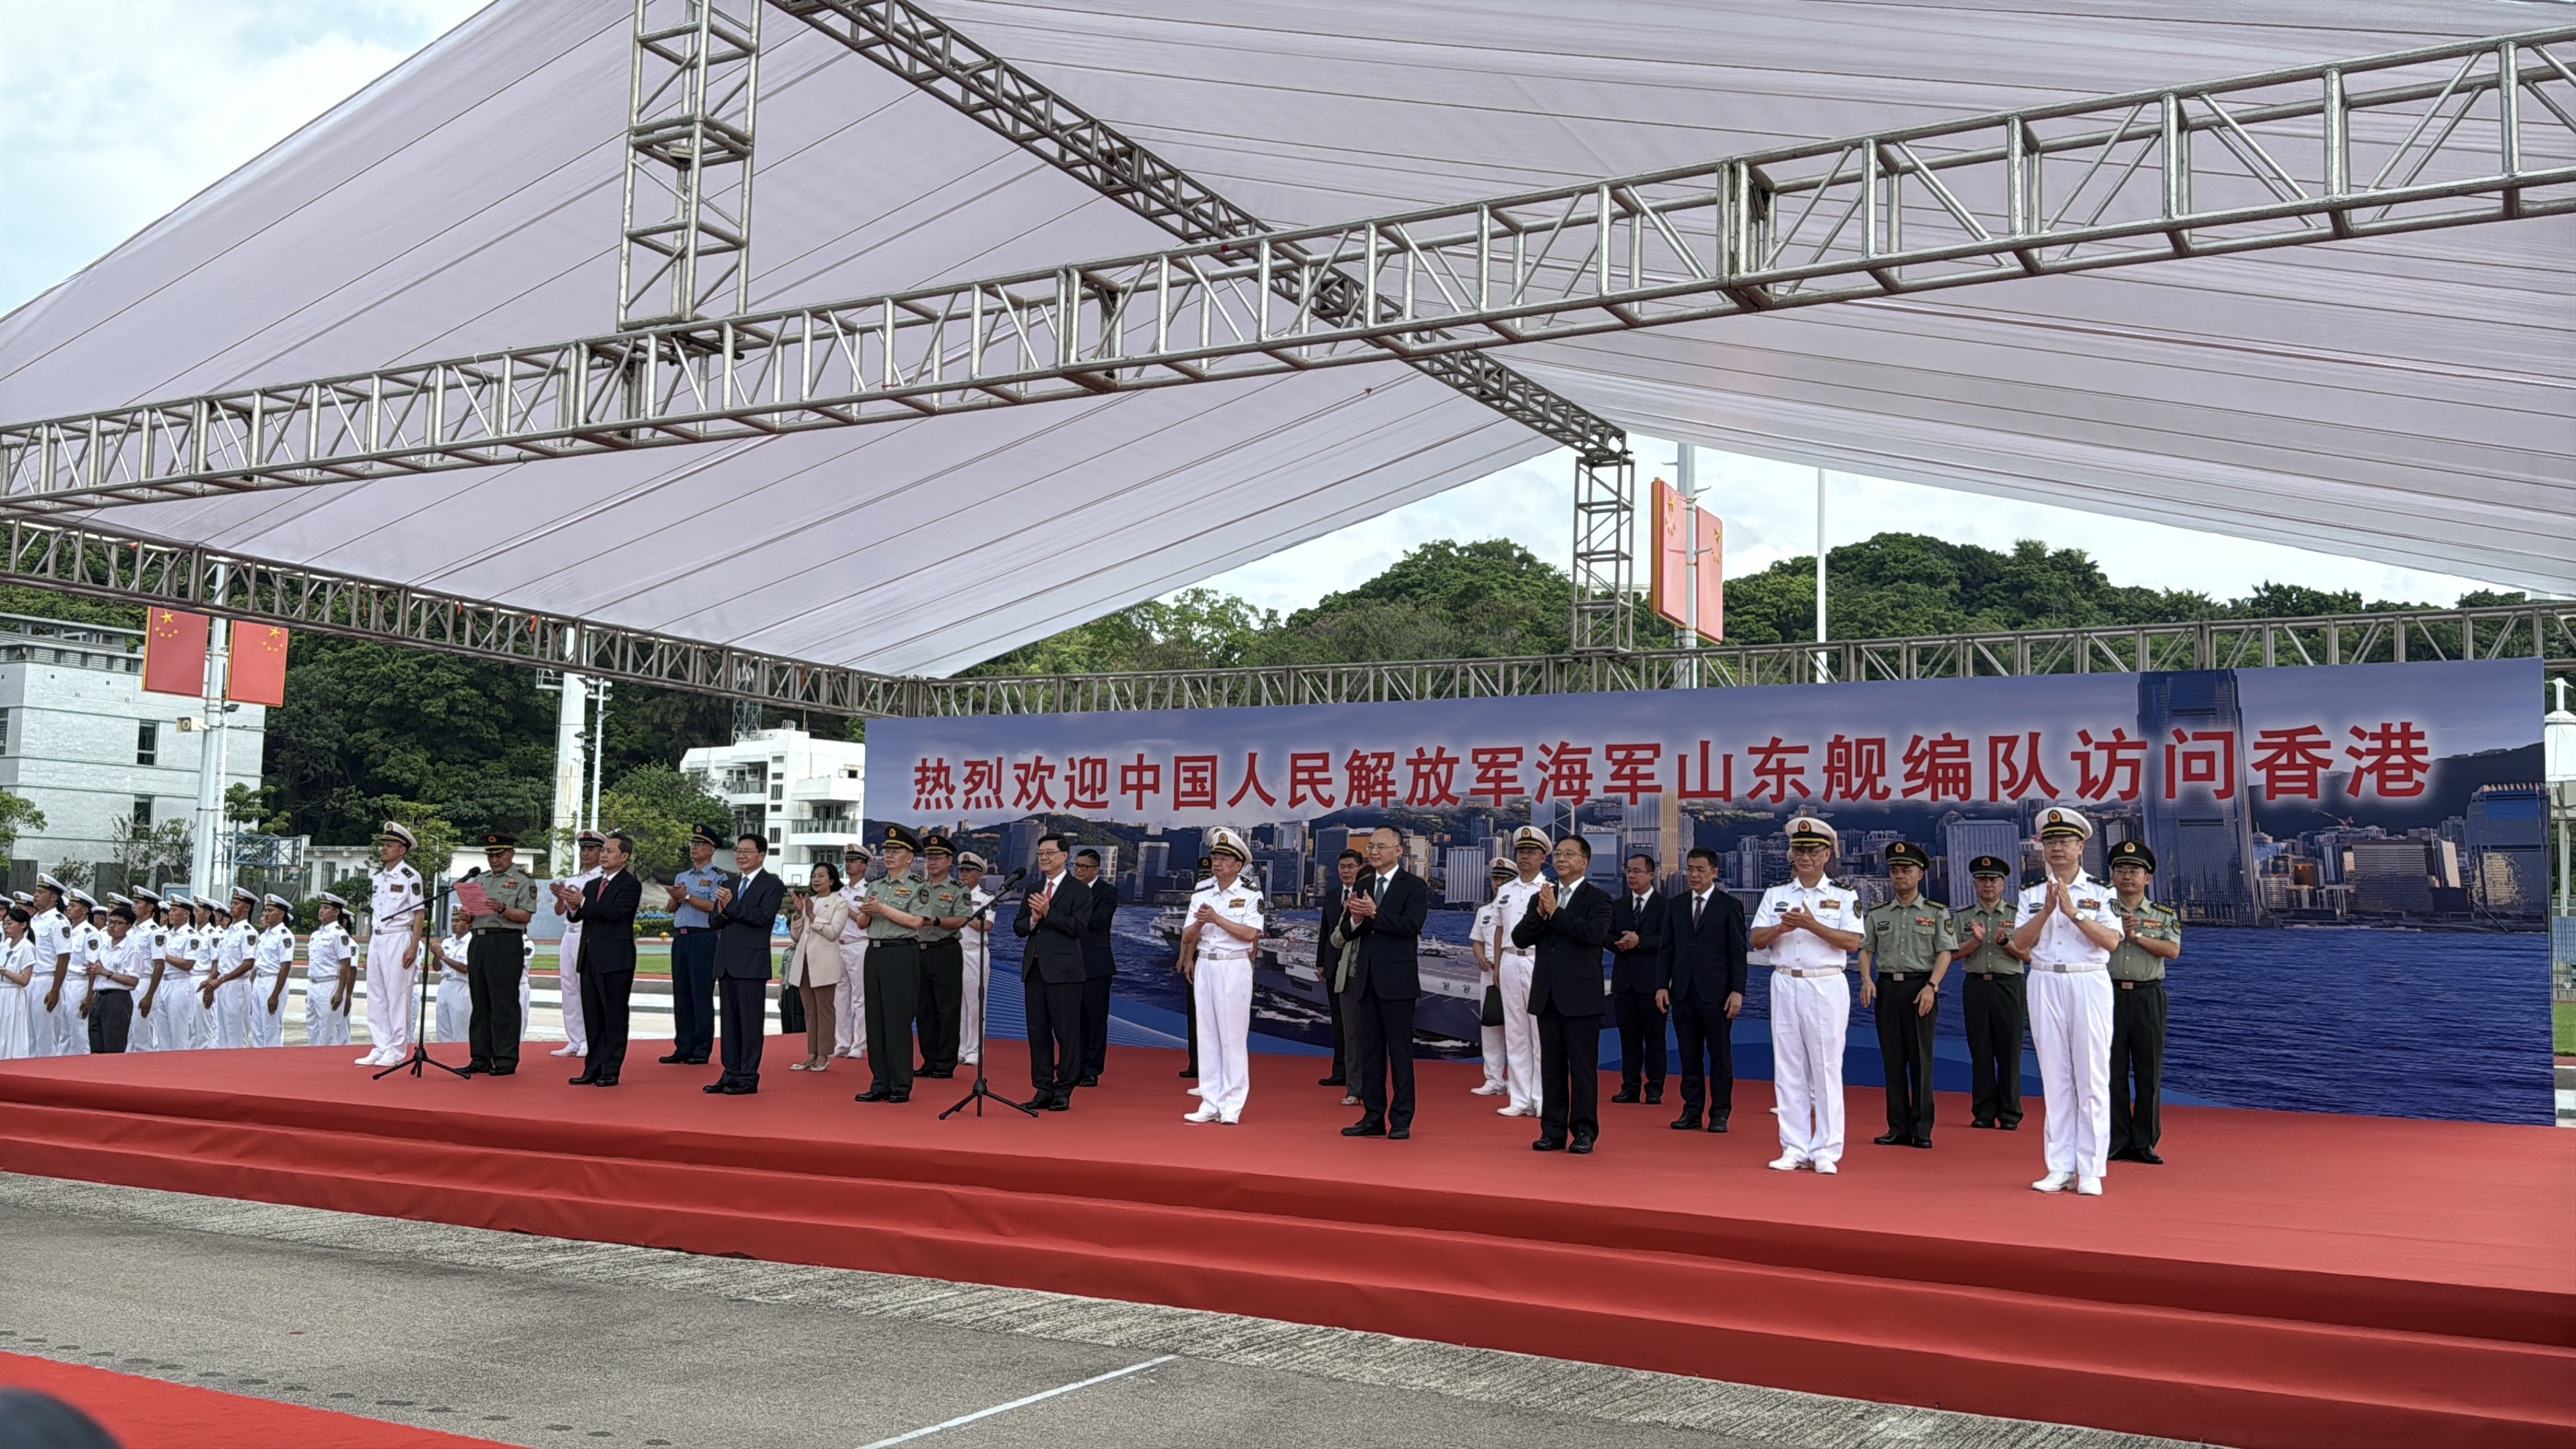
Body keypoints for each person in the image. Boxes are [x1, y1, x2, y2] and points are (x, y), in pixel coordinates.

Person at [2010, 807, 2123, 1197]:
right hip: (2044, 979)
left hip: (2087, 980)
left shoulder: (2102, 892)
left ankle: (2090, 1169)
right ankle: (2058, 1166)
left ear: (2080, 847)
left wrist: (2074, 913)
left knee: (2091, 1077)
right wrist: (2046, 911)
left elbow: (2111, 941)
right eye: (2050, 842)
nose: (2057, 848)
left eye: (2064, 841)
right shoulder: (2030, 893)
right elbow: (2019, 943)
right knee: (2055, 1077)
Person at [1750, 817, 1865, 1175]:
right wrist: (1782, 927)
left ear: (1827, 854)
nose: (1805, 857)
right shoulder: (1777, 893)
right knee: (1788, 1067)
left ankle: (1826, 1150)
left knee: (1826, 1067)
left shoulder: (1844, 895)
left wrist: (1812, 924)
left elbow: (1852, 942)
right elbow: (1756, 938)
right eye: (1799, 850)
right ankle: (1794, 1146)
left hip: (1825, 982)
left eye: (1813, 850)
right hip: (1785, 980)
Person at [1510, 835, 1613, 1154]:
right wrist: (1541, 913)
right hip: (1548, 994)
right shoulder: (1543, 896)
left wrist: (1556, 914)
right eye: (1559, 854)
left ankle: (1584, 1131)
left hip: (1581, 997)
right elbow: (1520, 938)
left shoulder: (1598, 899)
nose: (1562, 859)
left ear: (1584, 862)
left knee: (1582, 1068)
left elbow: (1595, 935)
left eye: (1570, 854)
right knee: (1551, 1067)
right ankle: (1552, 1131)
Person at [1860, 842, 1954, 1149]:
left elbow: (1945, 952)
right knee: (1893, 1060)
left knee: (1921, 1060)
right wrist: (1866, 979)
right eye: (1894, 871)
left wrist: (1932, 986)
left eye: (1906, 870)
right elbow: (1866, 949)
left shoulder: (1936, 912)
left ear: (1920, 874)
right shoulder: (1878, 913)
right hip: (1888, 988)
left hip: (1920, 988)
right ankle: (1897, 1127)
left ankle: (1922, 1128)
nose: (1899, 876)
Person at [1341, 825, 1427, 1141]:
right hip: (1367, 979)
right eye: (1371, 847)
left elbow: (1411, 926)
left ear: (1399, 851)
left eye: (1381, 846)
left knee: (1400, 1053)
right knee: (1371, 1051)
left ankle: (1401, 1118)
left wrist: (1376, 913)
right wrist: (1356, 918)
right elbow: (1347, 931)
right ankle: (1373, 1116)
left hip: (1397, 981)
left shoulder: (1414, 886)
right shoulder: (1363, 884)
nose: (1374, 852)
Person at [1658, 846, 1749, 1134]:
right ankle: (1692, 1110)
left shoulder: (1729, 906)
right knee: (1689, 1053)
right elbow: (1666, 949)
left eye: (1700, 869)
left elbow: (1738, 952)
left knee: (1720, 1055)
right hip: (1683, 991)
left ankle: (1720, 1111)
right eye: (1690, 869)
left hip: (1717, 994)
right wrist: (1661, 985)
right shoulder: (1676, 905)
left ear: (1714, 872)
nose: (1694, 875)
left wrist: (1737, 990)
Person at [1180, 828, 1265, 1125]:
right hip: (1207, 963)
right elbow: (1188, 935)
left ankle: (1232, 1104)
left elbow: (1250, 934)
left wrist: (1216, 919)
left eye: (1224, 859)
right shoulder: (1202, 892)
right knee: (1207, 1036)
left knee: (1232, 1037)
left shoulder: (1250, 893)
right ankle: (1210, 1102)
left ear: (1238, 865)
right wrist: (1199, 924)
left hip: (1234, 964)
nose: (1217, 863)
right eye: (1215, 857)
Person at [2105, 840, 2181, 1166]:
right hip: (2107, 994)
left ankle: (2144, 1141)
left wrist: (2137, 937)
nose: (2127, 876)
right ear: (2112, 876)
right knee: (2112, 1070)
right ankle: (2117, 1138)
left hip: (2147, 995)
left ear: (2147, 878)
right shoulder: (2101, 912)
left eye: (2134, 871)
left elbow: (2172, 951)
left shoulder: (2163, 915)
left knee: (2148, 1070)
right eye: (2120, 870)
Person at [1010, 832, 1093, 1111]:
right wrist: (1033, 919)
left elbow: (1078, 927)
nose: (1043, 858)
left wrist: (1048, 912)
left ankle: (1064, 1088)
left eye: (1049, 853)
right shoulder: (1033, 888)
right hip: (1034, 969)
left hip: (1065, 972)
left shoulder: (1080, 890)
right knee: (1038, 1031)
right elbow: (1019, 927)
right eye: (1040, 853)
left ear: (1064, 856)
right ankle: (1042, 1087)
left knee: (1067, 1032)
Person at [853, 826, 929, 1103]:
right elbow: (863, 924)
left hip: (901, 953)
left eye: (896, 851)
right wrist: (864, 912)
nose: (889, 855)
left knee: (896, 1020)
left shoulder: (919, 887)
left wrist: (882, 909)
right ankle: (880, 1081)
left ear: (910, 857)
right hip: (875, 952)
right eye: (887, 851)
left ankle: (900, 1083)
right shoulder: (875, 886)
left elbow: (916, 922)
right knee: (875, 1020)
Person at [706, 831, 784, 1096]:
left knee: (750, 1023)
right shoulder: (729, 883)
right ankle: (730, 1072)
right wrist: (721, 908)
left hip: (751, 964)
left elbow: (761, 918)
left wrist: (730, 906)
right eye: (738, 851)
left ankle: (748, 1076)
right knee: (729, 1024)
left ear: (761, 855)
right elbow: (714, 922)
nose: (740, 856)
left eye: (747, 851)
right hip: (727, 962)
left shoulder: (772, 885)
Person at [1955, 855, 2028, 1130]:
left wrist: (2007, 943)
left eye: (1993, 879)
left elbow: (2030, 955)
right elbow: (1951, 954)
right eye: (1982, 879)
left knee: (2010, 1050)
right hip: (1976, 985)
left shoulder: (2017, 915)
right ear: (1974, 883)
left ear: (2003, 884)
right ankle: (1984, 1111)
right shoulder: (1963, 916)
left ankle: (2010, 1112)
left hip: (2008, 985)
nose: (1988, 884)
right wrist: (1974, 942)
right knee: (1981, 1049)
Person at [566, 832, 643, 1086]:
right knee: (593, 1016)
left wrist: (583, 902)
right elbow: (579, 917)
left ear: (624, 856)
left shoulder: (630, 885)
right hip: (590, 957)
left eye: (610, 851)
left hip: (615, 959)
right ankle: (593, 1068)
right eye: (603, 851)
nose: (603, 855)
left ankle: (611, 1068)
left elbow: (615, 914)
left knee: (613, 1016)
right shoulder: (592, 885)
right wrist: (573, 905)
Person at [462, 832, 538, 1076]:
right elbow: (473, 913)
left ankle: (505, 1058)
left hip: (505, 941)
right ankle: (480, 1058)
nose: (494, 860)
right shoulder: (480, 880)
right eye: (491, 855)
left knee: (503, 1002)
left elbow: (525, 916)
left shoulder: (522, 881)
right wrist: (467, 916)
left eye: (500, 855)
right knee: (480, 1002)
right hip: (479, 941)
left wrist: (503, 908)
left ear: (511, 853)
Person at [360, 823, 426, 1066]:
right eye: (383, 845)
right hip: (378, 938)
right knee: (376, 994)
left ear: (402, 850)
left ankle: (397, 1049)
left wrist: (413, 946)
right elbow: (376, 913)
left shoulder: (410, 876)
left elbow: (418, 913)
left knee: (397, 995)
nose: (384, 849)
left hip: (399, 937)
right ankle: (381, 1045)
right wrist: (371, 946)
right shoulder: (378, 878)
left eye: (389, 845)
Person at [662, 823, 727, 1066]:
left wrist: (687, 897)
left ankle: (701, 1048)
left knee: (701, 993)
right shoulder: (682, 876)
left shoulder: (718, 877)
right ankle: (683, 1046)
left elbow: (715, 907)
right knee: (682, 994)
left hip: (704, 937)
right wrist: (675, 898)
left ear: (712, 849)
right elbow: (672, 907)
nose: (695, 848)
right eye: (693, 844)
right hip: (682, 937)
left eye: (700, 845)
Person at [1609, 852, 1668, 1106]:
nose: (1631, 876)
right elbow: (1606, 936)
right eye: (1628, 871)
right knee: (1628, 1039)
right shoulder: (1619, 905)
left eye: (1637, 871)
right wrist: (1619, 943)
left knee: (1655, 1039)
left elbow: (1668, 941)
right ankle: (1630, 1087)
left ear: (1651, 874)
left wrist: (1640, 941)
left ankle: (1655, 1088)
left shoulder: (1665, 905)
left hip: (1652, 984)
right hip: (1624, 983)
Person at [913, 833, 974, 1079]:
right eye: (929, 857)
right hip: (920, 951)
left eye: (938, 857)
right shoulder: (917, 887)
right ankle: (929, 1060)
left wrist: (935, 921)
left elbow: (963, 918)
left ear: (949, 861)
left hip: (945, 950)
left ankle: (945, 1063)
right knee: (924, 1010)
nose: (932, 862)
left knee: (947, 1009)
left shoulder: (958, 889)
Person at [785, 861, 850, 1074]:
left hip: (824, 963)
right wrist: (798, 914)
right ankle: (811, 1053)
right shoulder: (808, 901)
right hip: (804, 962)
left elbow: (833, 932)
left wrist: (813, 916)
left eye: (821, 876)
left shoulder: (839, 903)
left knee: (825, 1010)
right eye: (814, 876)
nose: (816, 879)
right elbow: (796, 936)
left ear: (832, 880)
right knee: (810, 1011)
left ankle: (824, 1054)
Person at [546, 830, 605, 1062]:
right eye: (583, 849)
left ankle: (589, 1039)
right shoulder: (573, 879)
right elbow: (560, 911)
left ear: (600, 851)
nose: (586, 853)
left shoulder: (601, 879)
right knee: (569, 986)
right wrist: (560, 897)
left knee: (585, 987)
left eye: (591, 849)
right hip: (569, 933)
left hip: (586, 932)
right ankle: (574, 1038)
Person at [1466, 856, 1515, 1098]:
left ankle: (1517, 1081)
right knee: (1490, 1026)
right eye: (1495, 879)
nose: (1498, 883)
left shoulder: (1519, 909)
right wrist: (1480, 957)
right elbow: (1477, 940)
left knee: (1516, 1029)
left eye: (1503, 879)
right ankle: (1494, 1079)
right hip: (1488, 974)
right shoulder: (1484, 911)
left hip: (1512, 971)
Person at [1319, 848, 1366, 1093]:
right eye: (1342, 867)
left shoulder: (1366, 896)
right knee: (1338, 1021)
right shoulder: (1332, 896)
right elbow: (1325, 931)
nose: (1345, 871)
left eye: (1350, 866)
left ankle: (1358, 1074)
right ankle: (1340, 1072)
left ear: (1360, 868)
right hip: (1332, 965)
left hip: (1356, 966)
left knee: (1356, 1024)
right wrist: (1320, 963)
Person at [1072, 847, 1118, 1087]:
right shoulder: (1067, 890)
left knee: (1095, 1020)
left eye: (1084, 867)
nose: (1079, 871)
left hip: (1096, 966)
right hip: (1069, 964)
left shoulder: (1107, 893)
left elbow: (1098, 921)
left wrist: (1072, 914)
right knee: (1074, 1020)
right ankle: (1075, 1065)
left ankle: (1092, 1069)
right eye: (1076, 866)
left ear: (1096, 869)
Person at [831, 843, 872, 1061]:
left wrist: (844, 908)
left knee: (860, 997)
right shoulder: (841, 892)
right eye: (847, 861)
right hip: (841, 944)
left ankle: (859, 1043)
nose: (849, 864)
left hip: (859, 943)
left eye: (854, 861)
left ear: (864, 865)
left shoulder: (869, 891)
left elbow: (863, 922)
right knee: (840, 996)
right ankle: (842, 1042)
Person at [955, 851, 995, 1070]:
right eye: (962, 870)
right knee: (957, 1004)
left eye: (969, 871)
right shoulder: (952, 894)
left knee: (975, 1004)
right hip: (955, 951)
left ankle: (974, 1050)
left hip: (975, 952)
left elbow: (986, 925)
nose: (964, 875)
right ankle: (960, 1048)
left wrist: (964, 915)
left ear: (979, 874)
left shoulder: (987, 898)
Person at [206, 888, 260, 1049]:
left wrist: (221, 979)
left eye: (236, 903)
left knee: (236, 1032)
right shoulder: (227, 933)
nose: (232, 906)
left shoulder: (248, 933)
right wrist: (210, 981)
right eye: (232, 903)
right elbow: (221, 963)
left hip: (237, 986)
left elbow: (248, 963)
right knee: (222, 1031)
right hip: (223, 984)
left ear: (247, 907)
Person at [84, 905, 141, 1053]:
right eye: (110, 922)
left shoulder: (132, 950)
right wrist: (92, 971)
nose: (112, 926)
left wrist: (105, 972)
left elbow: (133, 981)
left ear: (128, 926)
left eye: (117, 923)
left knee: (113, 1045)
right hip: (99, 997)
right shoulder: (104, 947)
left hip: (117, 998)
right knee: (96, 1045)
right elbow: (97, 971)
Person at [304, 893, 357, 1048]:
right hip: (313, 984)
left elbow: (346, 965)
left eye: (326, 908)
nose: (321, 910)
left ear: (336, 912)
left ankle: (327, 1059)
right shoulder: (315, 935)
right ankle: (314, 1058)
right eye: (321, 907)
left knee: (328, 1030)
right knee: (313, 1028)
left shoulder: (339, 934)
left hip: (329, 984)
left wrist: (341, 992)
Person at [250, 894, 298, 1048]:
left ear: (281, 914)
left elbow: (285, 966)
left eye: (270, 911)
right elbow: (258, 965)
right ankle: (258, 1056)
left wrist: (275, 995)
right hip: (259, 981)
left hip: (273, 981)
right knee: (257, 1026)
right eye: (265, 911)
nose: (266, 914)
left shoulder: (284, 936)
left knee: (271, 1026)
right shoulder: (264, 936)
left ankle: (273, 1057)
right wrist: (252, 986)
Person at [29, 877, 69, 1056]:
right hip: (29, 979)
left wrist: (55, 990)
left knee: (46, 1035)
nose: (35, 895)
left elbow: (63, 957)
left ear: (54, 897)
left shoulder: (58, 921)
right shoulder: (34, 920)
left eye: (41, 892)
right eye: (36, 892)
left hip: (46, 979)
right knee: (29, 1034)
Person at [0, 907, 35, 1058]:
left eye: (10, 923)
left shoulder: (27, 948)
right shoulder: (4, 945)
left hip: (13, 994)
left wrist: (4, 972)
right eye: (4, 924)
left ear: (23, 925)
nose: (5, 927)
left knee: (11, 1031)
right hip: (1, 992)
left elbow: (24, 980)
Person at [432, 917, 472, 1046]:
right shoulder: (448, 941)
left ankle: (462, 1056)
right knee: (443, 1029)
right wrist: (436, 955)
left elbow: (465, 968)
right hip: (445, 984)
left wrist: (444, 957)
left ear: (468, 923)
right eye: (453, 921)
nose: (454, 924)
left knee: (461, 1031)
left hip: (461, 986)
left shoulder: (472, 942)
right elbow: (437, 968)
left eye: (458, 921)